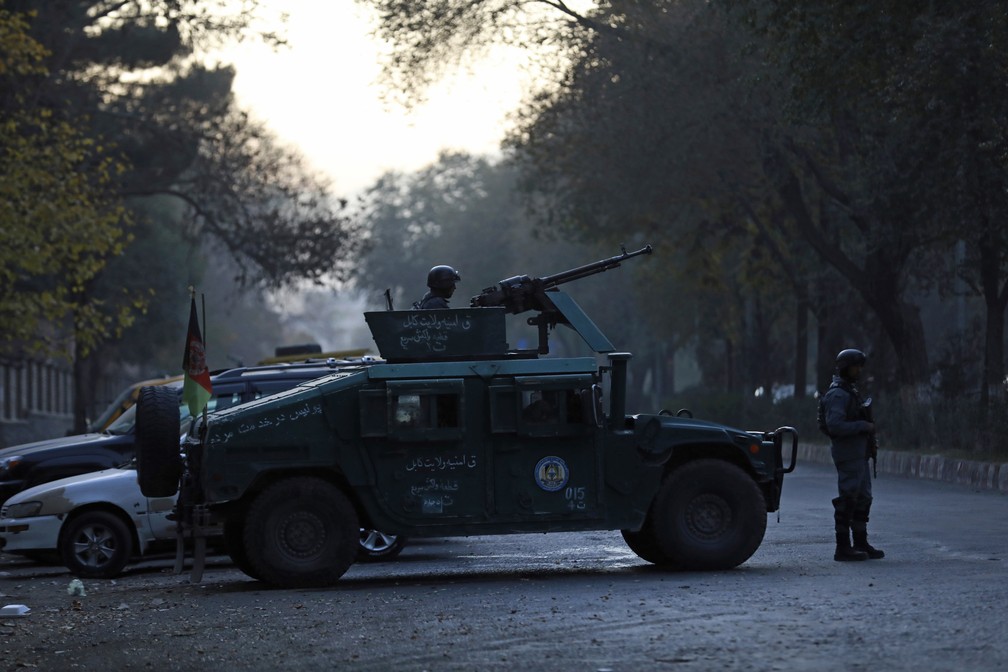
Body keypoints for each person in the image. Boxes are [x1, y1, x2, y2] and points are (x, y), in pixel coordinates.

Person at [822, 348, 885, 562]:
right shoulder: (837, 394)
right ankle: (843, 547)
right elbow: (835, 425)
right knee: (848, 497)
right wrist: (863, 426)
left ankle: (860, 542)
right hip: (848, 454)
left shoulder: (850, 391)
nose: (859, 371)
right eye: (856, 366)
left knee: (863, 497)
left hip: (859, 454)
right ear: (845, 368)